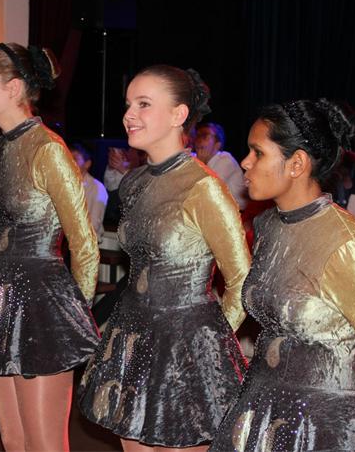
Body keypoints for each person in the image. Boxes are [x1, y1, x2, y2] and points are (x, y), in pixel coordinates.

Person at [210, 99, 355, 452]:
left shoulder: (345, 245)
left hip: (324, 428)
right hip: (262, 409)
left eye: (257, 153)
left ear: (297, 163)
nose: (245, 162)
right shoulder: (268, 225)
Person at [78, 65, 250, 452]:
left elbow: (241, 279)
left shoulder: (203, 187)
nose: (129, 115)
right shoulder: (135, 182)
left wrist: (207, 347)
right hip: (132, 335)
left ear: (178, 115)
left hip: (185, 347)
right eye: (128, 104)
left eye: (143, 104)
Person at [0, 43, 100, 452]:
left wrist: (74, 316)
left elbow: (84, 242)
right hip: (0, 297)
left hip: (41, 301)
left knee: (43, 443)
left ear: (14, 88)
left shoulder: (48, 149)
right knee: (13, 440)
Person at [194, 121, 248, 210]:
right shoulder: (194, 157)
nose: (199, 140)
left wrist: (200, 163)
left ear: (217, 145)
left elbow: (208, 190)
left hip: (237, 213)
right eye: (198, 136)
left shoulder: (225, 160)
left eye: (205, 136)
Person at [70, 143, 108, 241]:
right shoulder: (64, 184)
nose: (69, 162)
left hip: (86, 244)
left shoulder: (97, 188)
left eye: (74, 159)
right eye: (67, 159)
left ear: (87, 164)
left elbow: (94, 224)